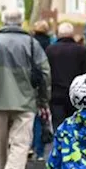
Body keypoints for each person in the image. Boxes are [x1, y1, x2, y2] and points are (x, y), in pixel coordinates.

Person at [0, 9, 50, 169]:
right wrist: (43, 100)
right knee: (20, 144)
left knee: (0, 142)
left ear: (4, 21)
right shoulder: (32, 43)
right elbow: (45, 73)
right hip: (25, 100)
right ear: (22, 22)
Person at [45, 21, 86, 127]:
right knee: (76, 125)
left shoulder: (50, 50)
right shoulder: (80, 50)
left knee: (58, 124)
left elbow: (46, 73)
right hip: (76, 95)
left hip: (56, 94)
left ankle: (60, 143)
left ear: (58, 34)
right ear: (72, 34)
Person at [30, 21, 55, 159]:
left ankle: (31, 146)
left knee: (30, 119)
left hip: (30, 85)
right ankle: (39, 151)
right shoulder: (50, 45)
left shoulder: (30, 43)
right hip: (42, 85)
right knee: (42, 119)